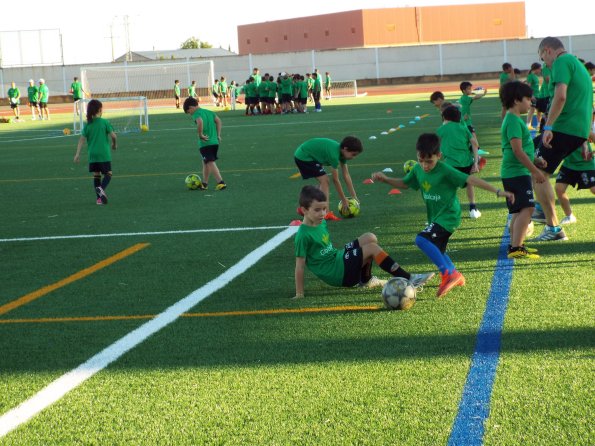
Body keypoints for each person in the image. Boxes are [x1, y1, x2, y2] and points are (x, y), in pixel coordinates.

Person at [371, 133, 514, 298]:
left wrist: (498, 191)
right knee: (437, 248)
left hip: (449, 216)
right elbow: (405, 183)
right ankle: (456, 274)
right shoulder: (417, 169)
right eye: (421, 160)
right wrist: (386, 179)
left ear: (439, 156)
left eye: (429, 161)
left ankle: (447, 274)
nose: (425, 165)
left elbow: (471, 180)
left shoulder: (445, 170)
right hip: (436, 216)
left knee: (422, 239)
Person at [293, 186, 435, 299]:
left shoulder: (320, 222)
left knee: (370, 237)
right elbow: (299, 267)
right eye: (317, 210)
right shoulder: (303, 235)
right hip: (338, 273)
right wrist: (300, 294)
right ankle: (409, 278)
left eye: (324, 209)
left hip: (337, 258)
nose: (323, 214)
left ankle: (365, 280)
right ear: (304, 210)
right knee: (372, 248)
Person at [531, 36, 594, 241]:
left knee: (538, 172)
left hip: (563, 128)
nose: (544, 63)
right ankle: (541, 209)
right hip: (576, 131)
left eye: (543, 58)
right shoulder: (577, 64)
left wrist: (548, 126)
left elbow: (561, 96)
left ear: (549, 50)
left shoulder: (561, 62)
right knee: (528, 153)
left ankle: (552, 226)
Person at [499, 81, 545, 259]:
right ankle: (516, 246)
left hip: (513, 172)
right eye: (528, 99)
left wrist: (535, 159)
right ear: (517, 100)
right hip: (516, 172)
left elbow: (520, 149)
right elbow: (517, 150)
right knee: (528, 208)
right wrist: (534, 170)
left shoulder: (513, 119)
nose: (531, 103)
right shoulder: (513, 121)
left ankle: (515, 245)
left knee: (519, 210)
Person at [294, 136, 362, 220]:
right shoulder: (334, 155)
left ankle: (306, 207)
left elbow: (346, 175)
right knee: (325, 180)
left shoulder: (342, 154)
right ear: (345, 148)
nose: (353, 157)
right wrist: (344, 200)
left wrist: (354, 196)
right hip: (304, 156)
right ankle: (326, 213)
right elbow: (336, 180)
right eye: (353, 154)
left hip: (310, 155)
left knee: (323, 182)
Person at [437, 105, 481, 219]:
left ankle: (447, 211)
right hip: (466, 163)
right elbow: (475, 143)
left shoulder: (441, 129)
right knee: (469, 183)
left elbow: (435, 145)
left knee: (448, 188)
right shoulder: (463, 127)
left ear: (445, 118)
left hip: (450, 165)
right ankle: (472, 209)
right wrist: (476, 162)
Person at [73, 99, 117, 205]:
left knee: (96, 175)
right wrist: (114, 144)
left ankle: (99, 199)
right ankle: (101, 189)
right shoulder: (105, 122)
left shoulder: (88, 125)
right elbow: (113, 136)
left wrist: (77, 154)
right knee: (109, 174)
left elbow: (81, 140)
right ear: (100, 110)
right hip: (103, 154)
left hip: (92, 155)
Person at [183, 96, 226, 191]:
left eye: (189, 112)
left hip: (205, 143)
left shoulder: (196, 113)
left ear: (191, 107)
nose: (190, 114)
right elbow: (218, 121)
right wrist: (218, 135)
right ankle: (205, 184)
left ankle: (221, 182)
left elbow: (200, 121)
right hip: (214, 141)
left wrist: (200, 134)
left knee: (210, 162)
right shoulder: (209, 112)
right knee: (205, 162)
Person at [554, 142, 595, 225]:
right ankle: (569, 216)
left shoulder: (583, 129)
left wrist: (593, 152)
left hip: (586, 164)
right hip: (568, 164)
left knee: (594, 189)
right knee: (559, 188)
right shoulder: (560, 129)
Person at [525, 63, 542, 128]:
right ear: (536, 69)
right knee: (532, 110)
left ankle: (539, 124)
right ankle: (528, 125)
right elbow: (528, 87)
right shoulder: (530, 76)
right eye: (540, 69)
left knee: (539, 111)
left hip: (538, 95)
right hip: (533, 96)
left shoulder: (535, 76)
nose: (540, 71)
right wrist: (531, 95)